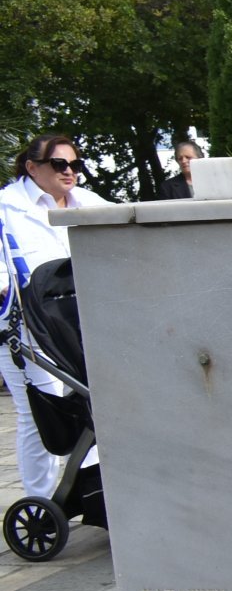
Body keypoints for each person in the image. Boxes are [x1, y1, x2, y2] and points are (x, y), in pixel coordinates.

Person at [0, 135, 108, 499]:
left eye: (75, 165)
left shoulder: (88, 203)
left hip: (77, 322)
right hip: (22, 328)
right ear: (32, 167)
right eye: (59, 164)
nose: (69, 172)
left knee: (91, 403)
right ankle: (42, 500)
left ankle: (91, 486)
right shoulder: (6, 206)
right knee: (39, 410)